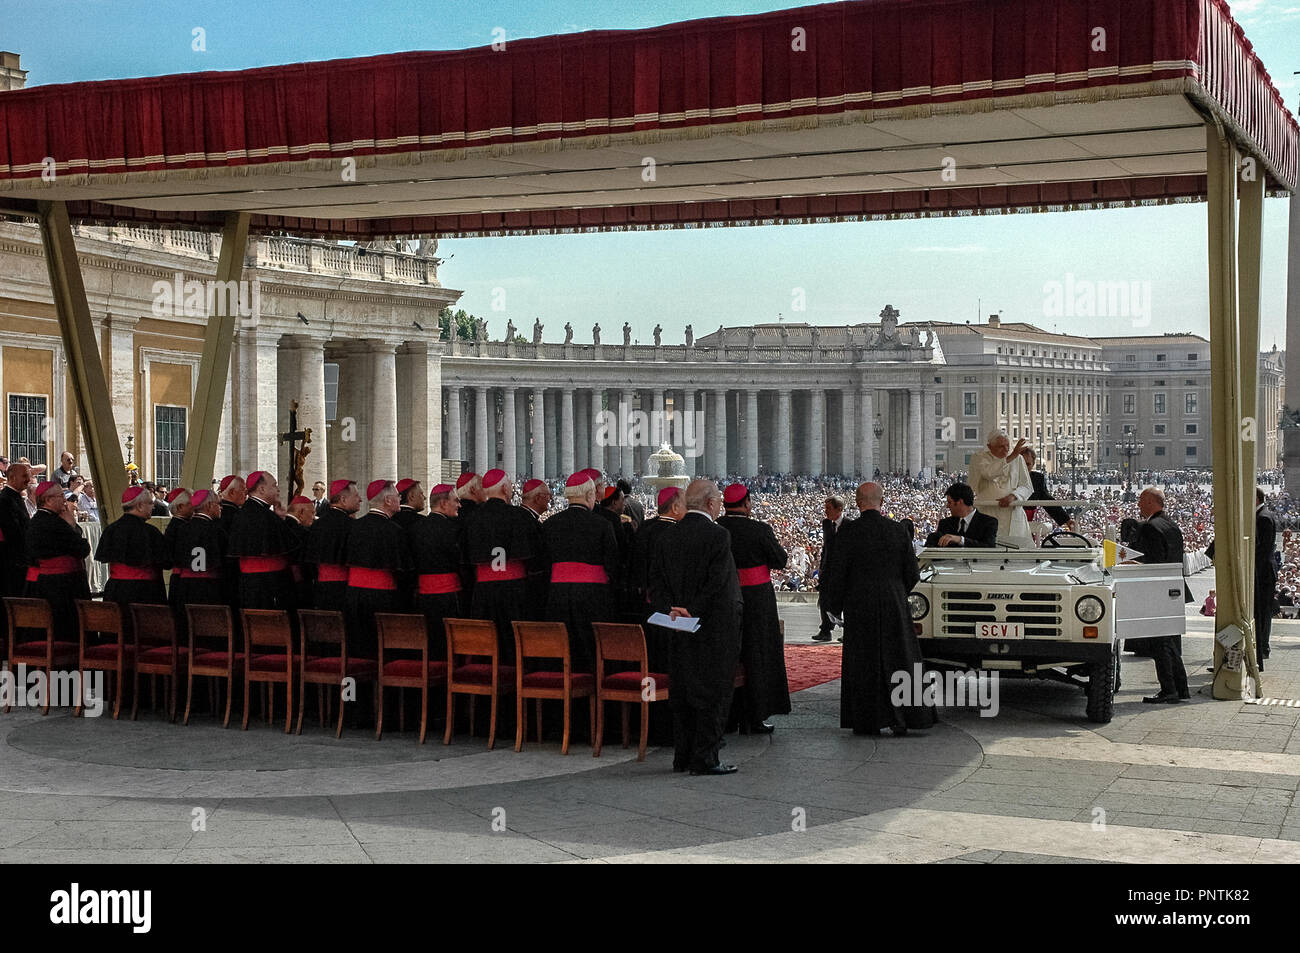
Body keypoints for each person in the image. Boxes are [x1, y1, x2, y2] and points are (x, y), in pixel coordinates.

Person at [821, 481, 935, 736]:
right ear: (881, 502)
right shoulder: (898, 531)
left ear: (858, 503)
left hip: (859, 603)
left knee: (864, 663)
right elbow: (912, 573)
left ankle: (867, 720)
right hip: (894, 601)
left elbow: (837, 575)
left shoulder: (848, 533)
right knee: (900, 658)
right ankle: (904, 718)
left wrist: (835, 606)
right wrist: (895, 591)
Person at [648, 478, 743, 775]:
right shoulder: (718, 535)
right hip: (712, 627)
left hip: (677, 626)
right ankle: (705, 758)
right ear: (711, 504)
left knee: (683, 691)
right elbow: (717, 582)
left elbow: (657, 584)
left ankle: (683, 756)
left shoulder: (666, 537)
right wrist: (694, 610)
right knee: (714, 692)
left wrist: (673, 611)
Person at [718, 483, 790, 733]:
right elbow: (780, 560)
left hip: (725, 597)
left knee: (729, 655)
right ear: (747, 503)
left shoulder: (717, 529)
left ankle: (727, 717)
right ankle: (754, 717)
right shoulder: (759, 530)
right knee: (757, 655)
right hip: (757, 600)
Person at [541, 472, 619, 671]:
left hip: (557, 595)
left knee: (563, 647)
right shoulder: (602, 524)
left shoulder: (549, 524)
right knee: (591, 650)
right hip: (593, 596)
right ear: (589, 495)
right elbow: (613, 565)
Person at [463, 468, 538, 659]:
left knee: (486, 643)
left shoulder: (471, 518)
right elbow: (535, 555)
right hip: (515, 590)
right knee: (513, 643)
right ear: (505, 488)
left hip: (483, 591)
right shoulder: (520, 516)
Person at [344, 480, 412, 659]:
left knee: (359, 646)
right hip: (383, 597)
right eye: (398, 496)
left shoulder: (354, 527)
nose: (400, 498)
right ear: (388, 501)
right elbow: (403, 570)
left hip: (354, 595)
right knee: (382, 648)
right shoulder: (394, 530)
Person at [1134, 487, 1189, 703]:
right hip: (1174, 589)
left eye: (1141, 500)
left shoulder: (1150, 528)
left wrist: (1133, 563)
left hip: (1157, 593)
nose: (1138, 504)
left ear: (1150, 502)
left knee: (1161, 644)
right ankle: (1180, 687)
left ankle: (1169, 690)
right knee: (1171, 643)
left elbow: (1154, 564)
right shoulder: (1172, 525)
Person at [24, 480, 91, 639]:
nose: (64, 499)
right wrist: (72, 526)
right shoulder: (56, 523)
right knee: (65, 632)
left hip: (45, 582)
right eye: (61, 495)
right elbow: (82, 549)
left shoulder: (35, 521)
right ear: (48, 500)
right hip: (63, 586)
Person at [407, 483, 463, 658]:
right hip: (449, 596)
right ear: (444, 503)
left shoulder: (415, 529)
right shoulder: (454, 529)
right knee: (448, 644)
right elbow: (460, 563)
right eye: (456, 501)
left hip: (423, 596)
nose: (459, 505)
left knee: (429, 642)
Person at [227, 470, 296, 611]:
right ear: (262, 489)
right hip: (270, 584)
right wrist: (284, 519)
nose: (277, 489)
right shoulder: (266, 516)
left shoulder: (241, 514)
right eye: (274, 485)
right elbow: (292, 547)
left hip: (247, 583)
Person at [95, 485, 169, 611]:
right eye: (150, 503)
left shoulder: (111, 529)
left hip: (116, 591)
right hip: (145, 593)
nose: (154, 506)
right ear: (140, 506)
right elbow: (166, 562)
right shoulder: (150, 532)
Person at [300, 479, 360, 613]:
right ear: (343, 499)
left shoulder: (316, 525)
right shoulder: (353, 526)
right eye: (356, 496)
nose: (360, 499)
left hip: (320, 588)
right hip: (347, 589)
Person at [968, 429, 1033, 543]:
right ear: (989, 446)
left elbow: (1027, 486)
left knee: (1018, 552)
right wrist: (1012, 456)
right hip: (988, 512)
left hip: (1013, 514)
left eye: (1007, 445)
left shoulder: (1018, 459)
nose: (1006, 449)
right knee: (989, 549)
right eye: (1001, 446)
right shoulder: (979, 458)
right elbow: (988, 473)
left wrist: (1014, 496)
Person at [170, 489, 227, 610]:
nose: (221, 508)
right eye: (218, 504)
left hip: (184, 587)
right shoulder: (217, 531)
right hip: (210, 587)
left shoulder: (182, 529)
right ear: (209, 505)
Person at [813, 495, 847, 642]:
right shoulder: (826, 524)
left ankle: (848, 631)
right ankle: (825, 630)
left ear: (839, 509)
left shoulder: (850, 525)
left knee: (846, 602)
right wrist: (821, 567)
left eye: (829, 508)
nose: (826, 511)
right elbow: (826, 548)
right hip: (828, 571)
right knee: (825, 600)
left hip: (844, 572)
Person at [925, 483, 998, 548]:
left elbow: (988, 547)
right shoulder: (945, 524)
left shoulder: (989, 523)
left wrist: (960, 540)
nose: (947, 506)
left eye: (950, 502)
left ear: (960, 502)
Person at [0, 461, 32, 596]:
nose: (28, 480)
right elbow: (13, 532)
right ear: (12, 478)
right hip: (13, 561)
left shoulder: (15, 497)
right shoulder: (5, 499)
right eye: (24, 476)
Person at [1254, 487, 1278, 671]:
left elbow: (1262, 550)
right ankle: (1261, 647)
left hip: (1263, 573)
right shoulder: (1263, 515)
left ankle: (1262, 648)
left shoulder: (1263, 518)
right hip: (1262, 571)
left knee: (1262, 612)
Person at [1021, 449, 1071, 527]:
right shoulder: (1010, 477)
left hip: (1030, 520)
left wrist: (1066, 520)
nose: (1024, 467)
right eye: (1021, 464)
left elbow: (1047, 500)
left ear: (1033, 464)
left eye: (1027, 464)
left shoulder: (1038, 478)